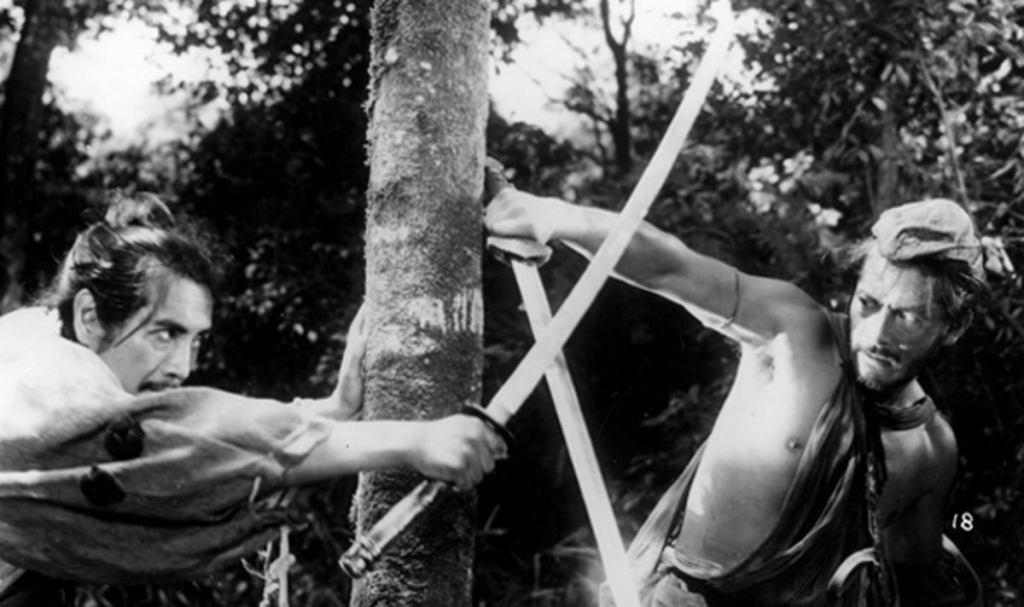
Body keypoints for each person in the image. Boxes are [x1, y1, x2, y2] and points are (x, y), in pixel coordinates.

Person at [0, 192, 507, 605]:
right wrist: (413, 441)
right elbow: (176, 443)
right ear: (89, 317)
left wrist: (334, 408)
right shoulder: (39, 378)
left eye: (195, 340)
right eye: (164, 333)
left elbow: (190, 432)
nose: (182, 367)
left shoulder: (36, 345)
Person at [486, 190, 983, 606]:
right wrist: (556, 216)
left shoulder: (932, 449)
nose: (875, 333)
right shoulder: (792, 332)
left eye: (908, 317)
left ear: (953, 326)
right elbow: (671, 267)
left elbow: (914, 577)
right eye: (868, 303)